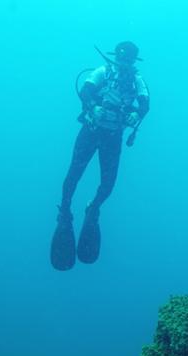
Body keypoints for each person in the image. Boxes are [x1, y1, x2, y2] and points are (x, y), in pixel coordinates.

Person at [50, 41, 150, 271]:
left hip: (113, 137)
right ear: (116, 57)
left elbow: (145, 104)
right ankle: (65, 211)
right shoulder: (102, 72)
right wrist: (93, 106)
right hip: (90, 131)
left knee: (108, 184)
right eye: (122, 59)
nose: (124, 64)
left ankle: (93, 208)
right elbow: (85, 90)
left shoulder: (137, 81)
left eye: (129, 60)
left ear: (133, 62)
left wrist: (135, 114)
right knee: (73, 176)